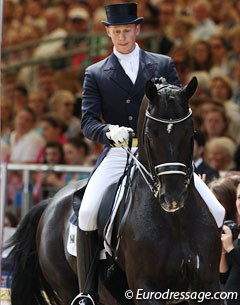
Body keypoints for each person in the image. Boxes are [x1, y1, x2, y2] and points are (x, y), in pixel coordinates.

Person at [74, 3, 225, 305]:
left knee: (218, 211)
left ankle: (214, 282)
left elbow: (177, 106)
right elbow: (88, 121)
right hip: (121, 152)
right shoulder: (95, 73)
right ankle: (87, 292)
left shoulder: (162, 64)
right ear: (108, 32)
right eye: (116, 31)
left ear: (137, 29)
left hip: (162, 154)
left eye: (127, 30)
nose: (122, 36)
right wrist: (108, 132)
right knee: (88, 211)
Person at [220, 182, 240, 304]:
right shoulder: (236, 231)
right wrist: (223, 249)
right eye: (239, 197)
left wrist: (230, 248)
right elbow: (224, 277)